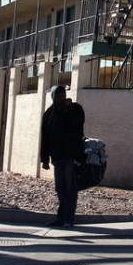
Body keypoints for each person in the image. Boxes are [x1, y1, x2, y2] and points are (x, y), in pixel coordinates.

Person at [40, 85, 85, 227]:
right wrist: (44, 159)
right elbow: (45, 137)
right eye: (58, 95)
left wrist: (68, 109)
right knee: (60, 188)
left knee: (70, 188)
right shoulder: (49, 114)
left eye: (62, 94)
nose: (60, 97)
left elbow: (79, 125)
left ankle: (68, 219)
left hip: (71, 156)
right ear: (53, 96)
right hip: (57, 156)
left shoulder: (73, 109)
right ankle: (61, 217)